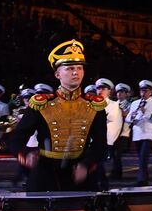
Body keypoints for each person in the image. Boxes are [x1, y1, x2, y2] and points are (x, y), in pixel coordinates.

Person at [10, 39, 108, 191]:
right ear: (57, 74)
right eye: (69, 68)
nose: (76, 72)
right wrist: (26, 155)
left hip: (80, 172)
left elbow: (100, 144)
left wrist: (86, 165)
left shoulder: (94, 105)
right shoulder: (42, 103)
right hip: (45, 172)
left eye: (79, 68)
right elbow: (17, 138)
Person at [126, 79, 152, 186]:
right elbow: (128, 119)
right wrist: (132, 116)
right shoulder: (135, 103)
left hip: (148, 134)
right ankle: (144, 176)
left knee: (143, 156)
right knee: (141, 157)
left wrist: (144, 112)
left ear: (151, 92)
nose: (143, 93)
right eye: (142, 91)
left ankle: (141, 179)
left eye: (146, 91)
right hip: (137, 134)